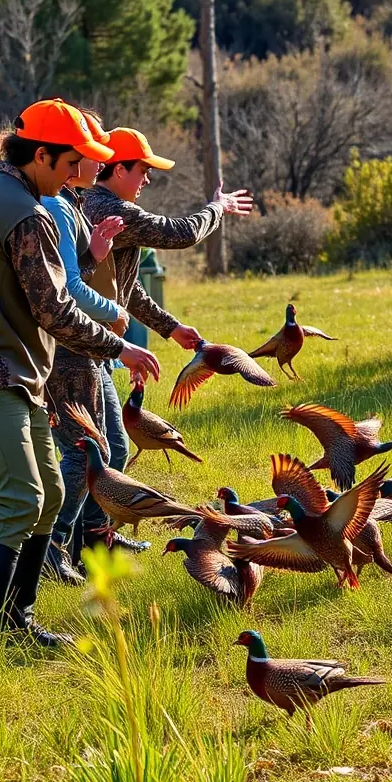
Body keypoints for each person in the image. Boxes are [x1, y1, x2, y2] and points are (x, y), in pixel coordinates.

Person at [0, 98, 160, 649]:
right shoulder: (27, 214)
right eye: (75, 160)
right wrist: (120, 347)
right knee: (16, 502)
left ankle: (14, 619)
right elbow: (54, 309)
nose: (84, 171)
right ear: (43, 155)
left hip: (3, 373)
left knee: (49, 494)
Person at [78, 127, 252, 540]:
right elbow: (183, 234)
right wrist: (218, 207)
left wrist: (170, 328)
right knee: (100, 451)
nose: (147, 179)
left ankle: (94, 537)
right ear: (118, 169)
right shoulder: (109, 209)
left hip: (97, 344)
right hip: (86, 344)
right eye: (142, 169)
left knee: (107, 449)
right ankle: (74, 544)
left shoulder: (103, 204)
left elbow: (127, 288)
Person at [40, 112, 148, 586]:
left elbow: (70, 270)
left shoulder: (72, 204)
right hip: (73, 348)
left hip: (89, 347)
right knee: (86, 453)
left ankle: (93, 541)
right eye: (93, 151)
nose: (99, 159)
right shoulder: (61, 208)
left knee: (113, 447)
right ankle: (55, 546)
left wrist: (93, 252)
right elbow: (68, 291)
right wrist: (114, 314)